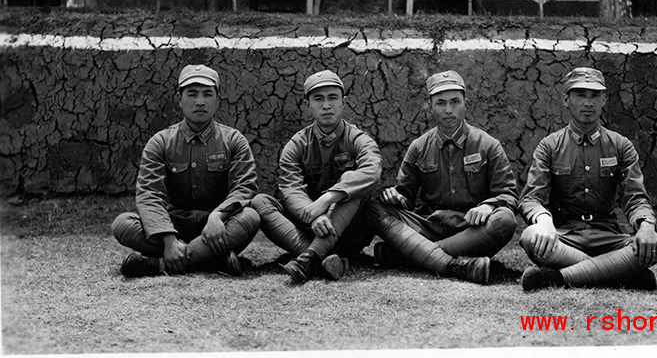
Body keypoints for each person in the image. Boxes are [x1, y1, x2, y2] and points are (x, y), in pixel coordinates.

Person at [518, 67, 657, 291]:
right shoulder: (549, 146)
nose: (588, 102)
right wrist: (544, 222)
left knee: (654, 246)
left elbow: (635, 198)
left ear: (604, 100)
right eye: (580, 95)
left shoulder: (620, 145)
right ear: (566, 100)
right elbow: (530, 199)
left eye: (595, 95)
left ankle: (555, 278)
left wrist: (646, 225)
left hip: (608, 238)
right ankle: (616, 273)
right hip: (565, 238)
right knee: (530, 236)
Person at [368, 70, 519, 285]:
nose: (448, 110)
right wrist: (396, 197)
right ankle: (454, 263)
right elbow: (406, 198)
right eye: (440, 103)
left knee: (504, 219)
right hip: (429, 227)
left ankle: (413, 254)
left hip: (471, 230)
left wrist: (488, 207)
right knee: (373, 208)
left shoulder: (487, 145)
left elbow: (508, 194)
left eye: (455, 102)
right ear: (430, 106)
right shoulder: (419, 147)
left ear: (465, 103)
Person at [111, 64, 260, 278]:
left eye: (207, 94)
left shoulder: (234, 140)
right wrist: (168, 239)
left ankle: (161, 265)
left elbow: (245, 187)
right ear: (179, 99)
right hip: (172, 225)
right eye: (192, 94)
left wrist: (218, 215)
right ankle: (210, 259)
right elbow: (149, 194)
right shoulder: (160, 142)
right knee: (123, 224)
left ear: (217, 100)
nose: (200, 101)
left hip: (216, 226)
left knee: (251, 217)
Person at [251, 70, 382, 284]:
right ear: (307, 104)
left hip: (348, 232)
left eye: (333, 98)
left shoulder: (358, 139)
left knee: (352, 181)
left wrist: (327, 199)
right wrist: (313, 215)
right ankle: (321, 258)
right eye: (318, 99)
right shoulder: (297, 144)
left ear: (343, 102)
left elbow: (372, 170)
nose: (326, 105)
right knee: (259, 202)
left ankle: (309, 259)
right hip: (311, 226)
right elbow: (290, 188)